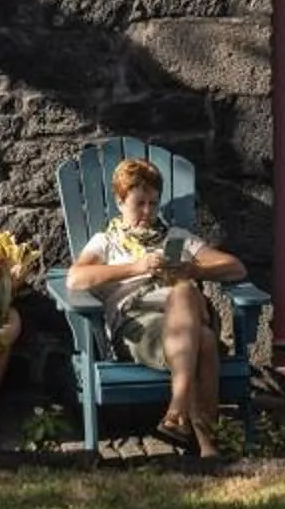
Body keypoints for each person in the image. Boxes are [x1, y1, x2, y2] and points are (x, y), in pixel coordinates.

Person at [67, 155, 247, 456]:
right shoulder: (105, 242)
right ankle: (208, 446)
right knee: (202, 339)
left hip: (185, 311)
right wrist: (137, 267)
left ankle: (176, 409)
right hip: (138, 326)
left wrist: (195, 270)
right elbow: (76, 278)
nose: (148, 212)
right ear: (120, 201)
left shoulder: (177, 239)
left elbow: (236, 268)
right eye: (140, 203)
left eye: (153, 203)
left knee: (185, 290)